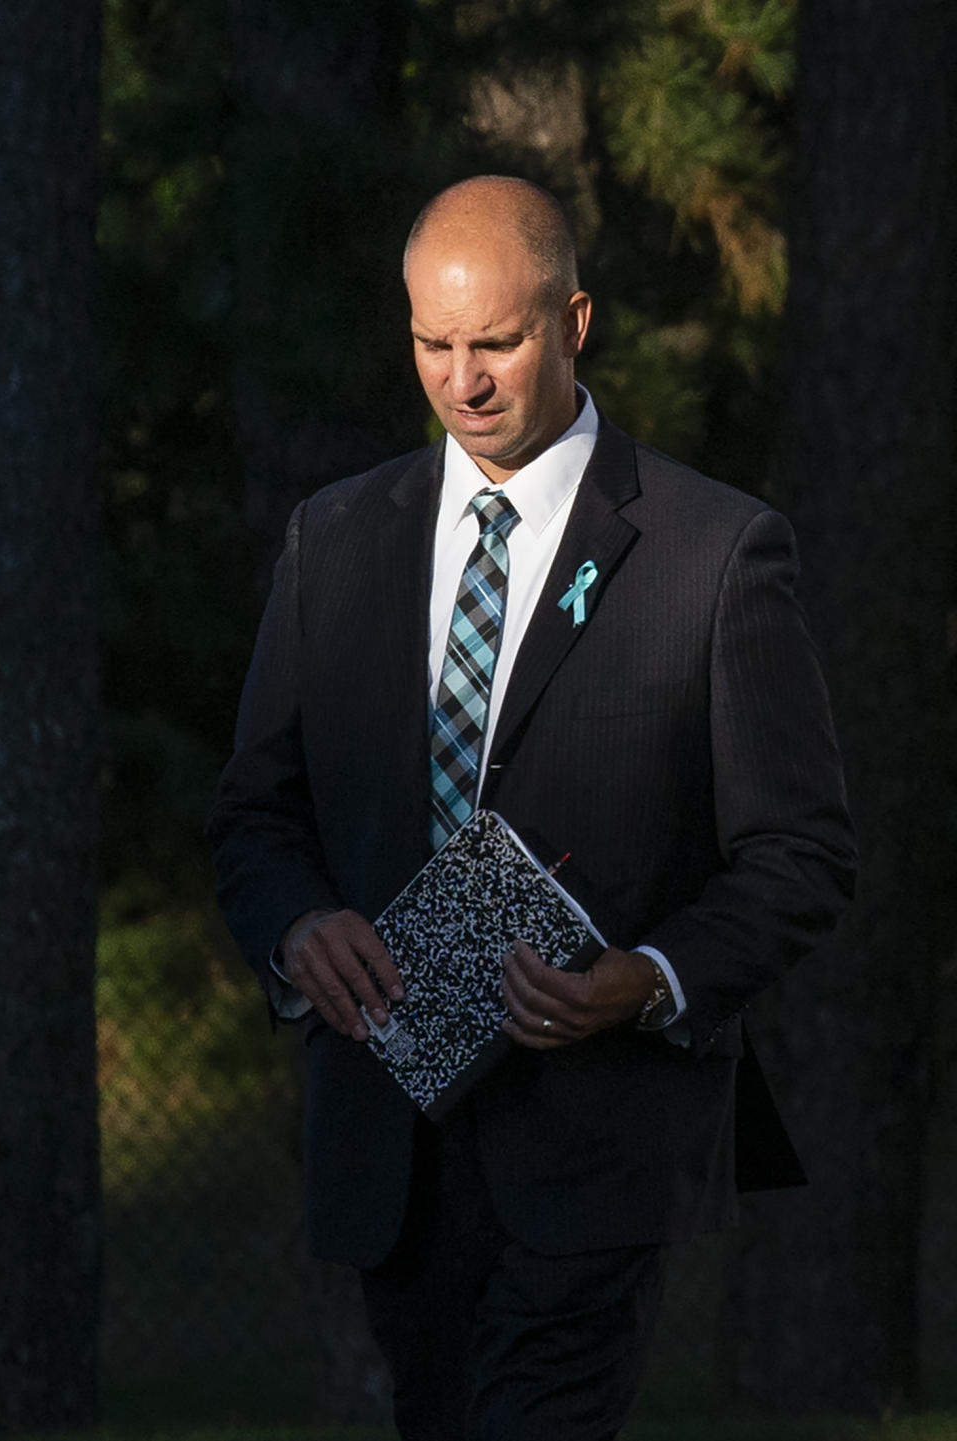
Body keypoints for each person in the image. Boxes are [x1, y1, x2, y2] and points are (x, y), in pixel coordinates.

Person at [209, 175, 856, 1440]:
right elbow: (256, 813)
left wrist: (650, 975)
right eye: (432, 345)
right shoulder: (331, 541)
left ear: (573, 320)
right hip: (394, 1140)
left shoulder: (716, 553)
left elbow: (801, 855)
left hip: (599, 1146)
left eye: (496, 341)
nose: (464, 381)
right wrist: (296, 928)